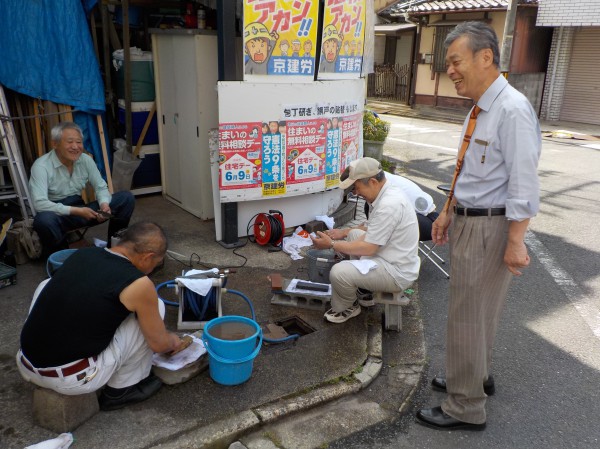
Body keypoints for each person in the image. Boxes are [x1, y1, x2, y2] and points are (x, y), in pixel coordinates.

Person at [415, 22, 541, 430]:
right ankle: (473, 378)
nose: (450, 70)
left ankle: (464, 406)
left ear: (485, 57)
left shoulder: (511, 110)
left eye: (455, 61)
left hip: (491, 227)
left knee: (467, 315)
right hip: (473, 220)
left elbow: (524, 184)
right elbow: (469, 168)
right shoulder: (482, 106)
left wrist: (516, 241)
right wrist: (448, 209)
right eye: (447, 62)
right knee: (479, 312)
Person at [16, 221, 185, 411]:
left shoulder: (83, 254)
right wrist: (173, 341)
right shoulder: (138, 283)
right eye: (155, 264)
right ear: (148, 257)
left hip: (25, 363)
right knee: (156, 307)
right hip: (71, 379)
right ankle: (120, 391)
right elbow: (159, 345)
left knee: (47, 283)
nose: (153, 269)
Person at [311, 157, 420, 323]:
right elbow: (368, 229)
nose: (355, 193)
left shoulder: (389, 204)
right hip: (391, 258)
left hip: (396, 272)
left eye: (357, 187)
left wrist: (332, 244)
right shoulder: (387, 193)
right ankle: (365, 290)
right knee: (354, 234)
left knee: (339, 272)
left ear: (373, 182)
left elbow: (368, 248)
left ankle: (348, 306)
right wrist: (343, 233)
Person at [29, 122, 134, 255]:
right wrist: (77, 211)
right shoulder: (41, 166)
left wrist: (104, 204)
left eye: (79, 142)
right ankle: (62, 258)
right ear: (55, 144)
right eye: (70, 142)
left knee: (126, 198)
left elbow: (101, 187)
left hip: (83, 210)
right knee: (43, 220)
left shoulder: (85, 160)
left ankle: (114, 249)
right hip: (58, 215)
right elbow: (39, 204)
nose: (75, 147)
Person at [358, 169, 438, 241]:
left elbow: (377, 227)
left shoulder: (387, 189)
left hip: (431, 222)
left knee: (387, 216)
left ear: (372, 182)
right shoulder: (380, 179)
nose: (355, 193)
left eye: (355, 188)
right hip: (424, 216)